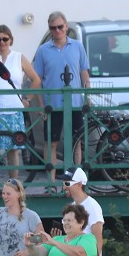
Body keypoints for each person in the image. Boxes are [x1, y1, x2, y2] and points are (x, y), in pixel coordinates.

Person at [0, 24, 42, 185]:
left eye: (5, 39)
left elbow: (36, 79)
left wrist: (27, 99)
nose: (2, 42)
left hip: (13, 109)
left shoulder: (19, 57)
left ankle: (14, 185)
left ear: (11, 40)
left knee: (13, 149)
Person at [32, 11, 91, 187]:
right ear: (49, 29)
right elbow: (38, 80)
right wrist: (41, 105)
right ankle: (51, 182)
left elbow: (84, 72)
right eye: (53, 28)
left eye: (60, 27)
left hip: (74, 103)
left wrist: (87, 95)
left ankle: (76, 182)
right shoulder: (43, 51)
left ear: (66, 26)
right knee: (51, 142)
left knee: (77, 142)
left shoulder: (78, 47)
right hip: (53, 104)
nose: (57, 31)